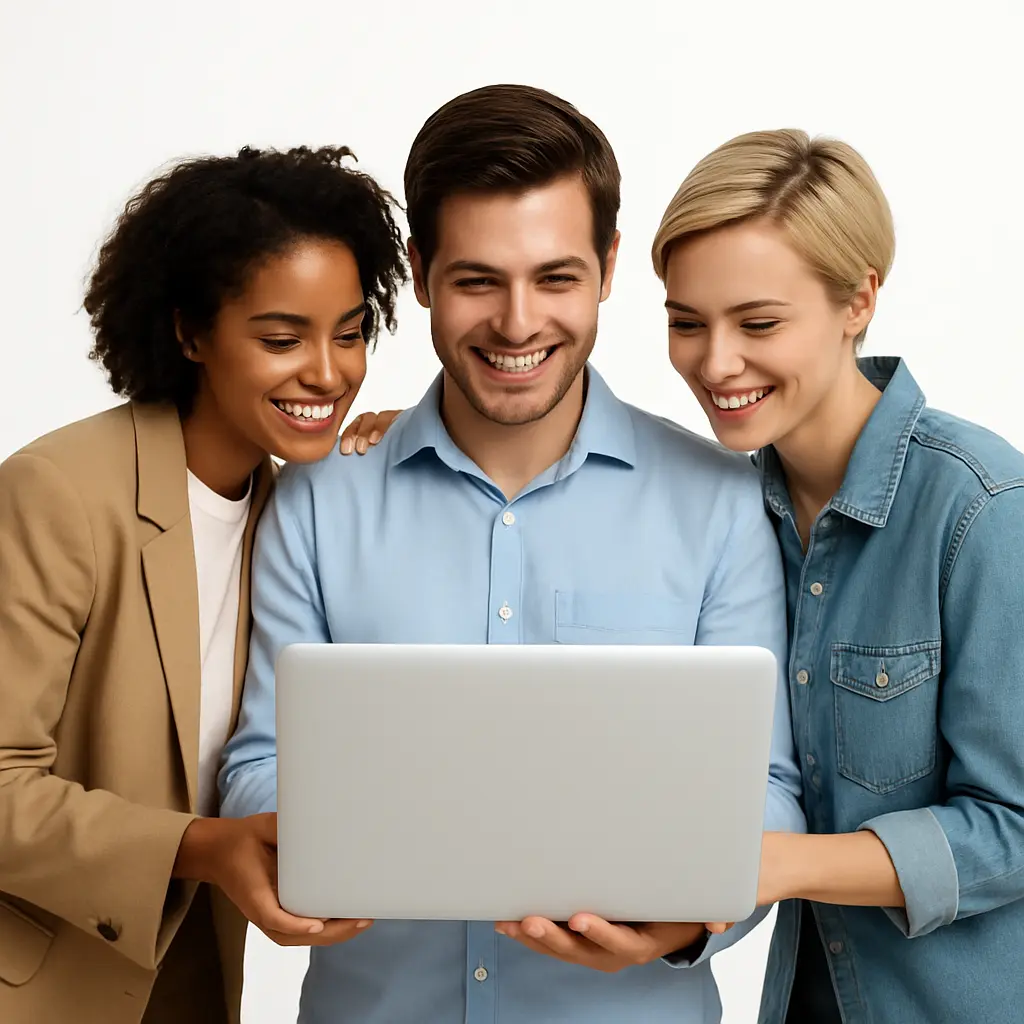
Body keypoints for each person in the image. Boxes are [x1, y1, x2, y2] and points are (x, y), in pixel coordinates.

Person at [219, 83, 805, 1024]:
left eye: (557, 278)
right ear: (419, 273)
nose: (519, 322)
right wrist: (336, 841)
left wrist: (690, 924)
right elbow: (259, 762)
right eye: (478, 280)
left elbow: (769, 790)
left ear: (610, 268)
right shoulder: (318, 503)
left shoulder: (722, 504)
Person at [0, 144, 407, 1024]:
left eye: (349, 332)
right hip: (45, 987)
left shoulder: (299, 510)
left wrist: (420, 454)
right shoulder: (60, 493)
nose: (329, 374)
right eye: (280, 338)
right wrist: (199, 847)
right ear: (189, 332)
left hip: (193, 978)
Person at [648, 128, 1024, 1022]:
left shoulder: (980, 508)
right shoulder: (726, 518)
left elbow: (1016, 825)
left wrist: (772, 863)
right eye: (686, 322)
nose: (716, 362)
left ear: (858, 300)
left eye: (759, 322)